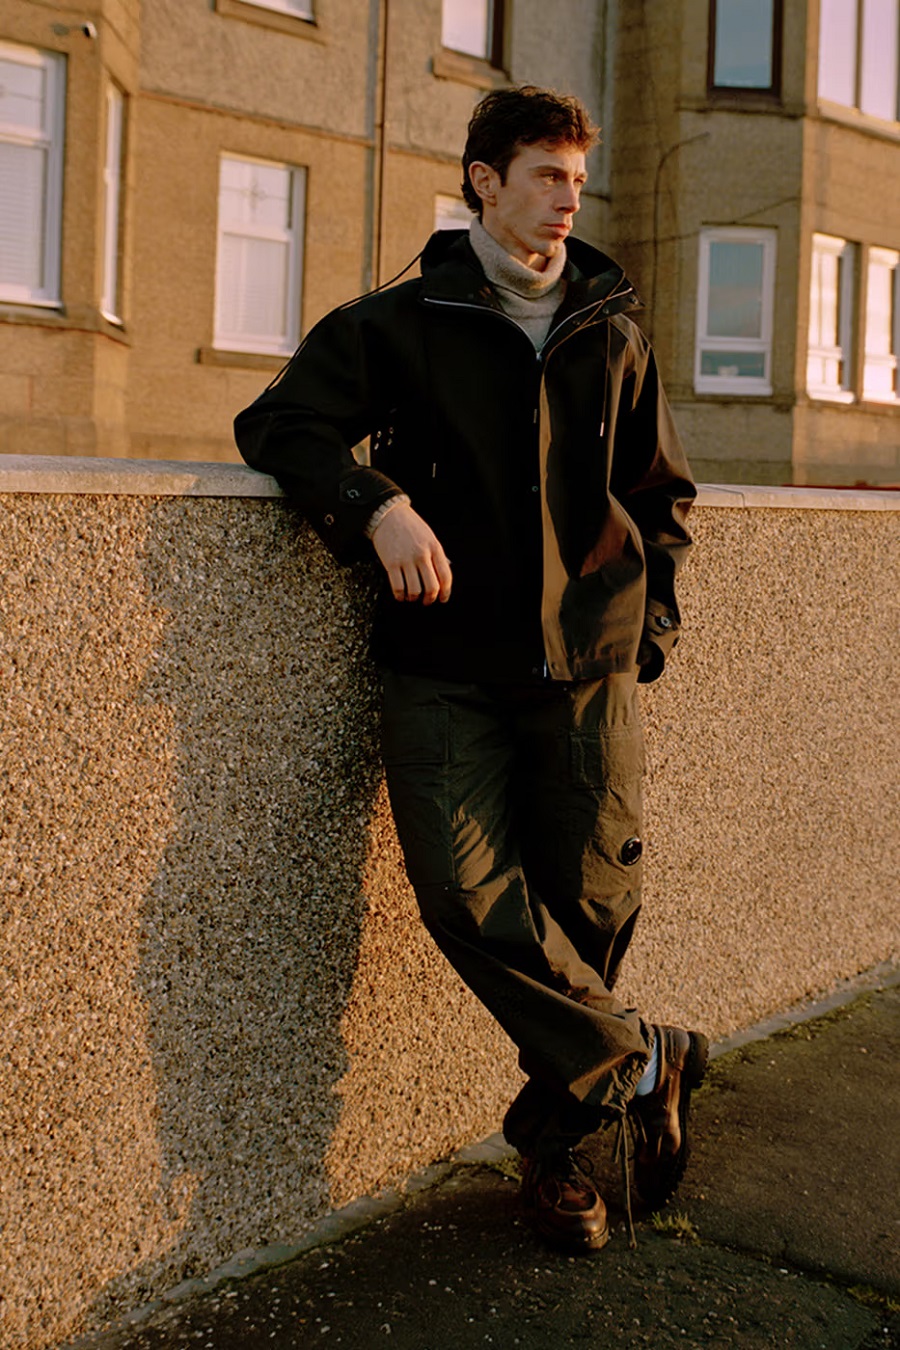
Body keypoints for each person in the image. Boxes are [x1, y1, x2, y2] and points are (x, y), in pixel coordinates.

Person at [235, 85, 706, 1255]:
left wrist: (649, 628)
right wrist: (375, 504)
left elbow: (660, 497)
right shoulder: (400, 322)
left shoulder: (611, 326)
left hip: (590, 668)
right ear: (484, 182)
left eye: (577, 179)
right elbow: (280, 425)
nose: (568, 200)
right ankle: (644, 1059)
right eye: (546, 175)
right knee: (462, 893)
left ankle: (558, 1153)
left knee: (592, 907)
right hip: (445, 666)